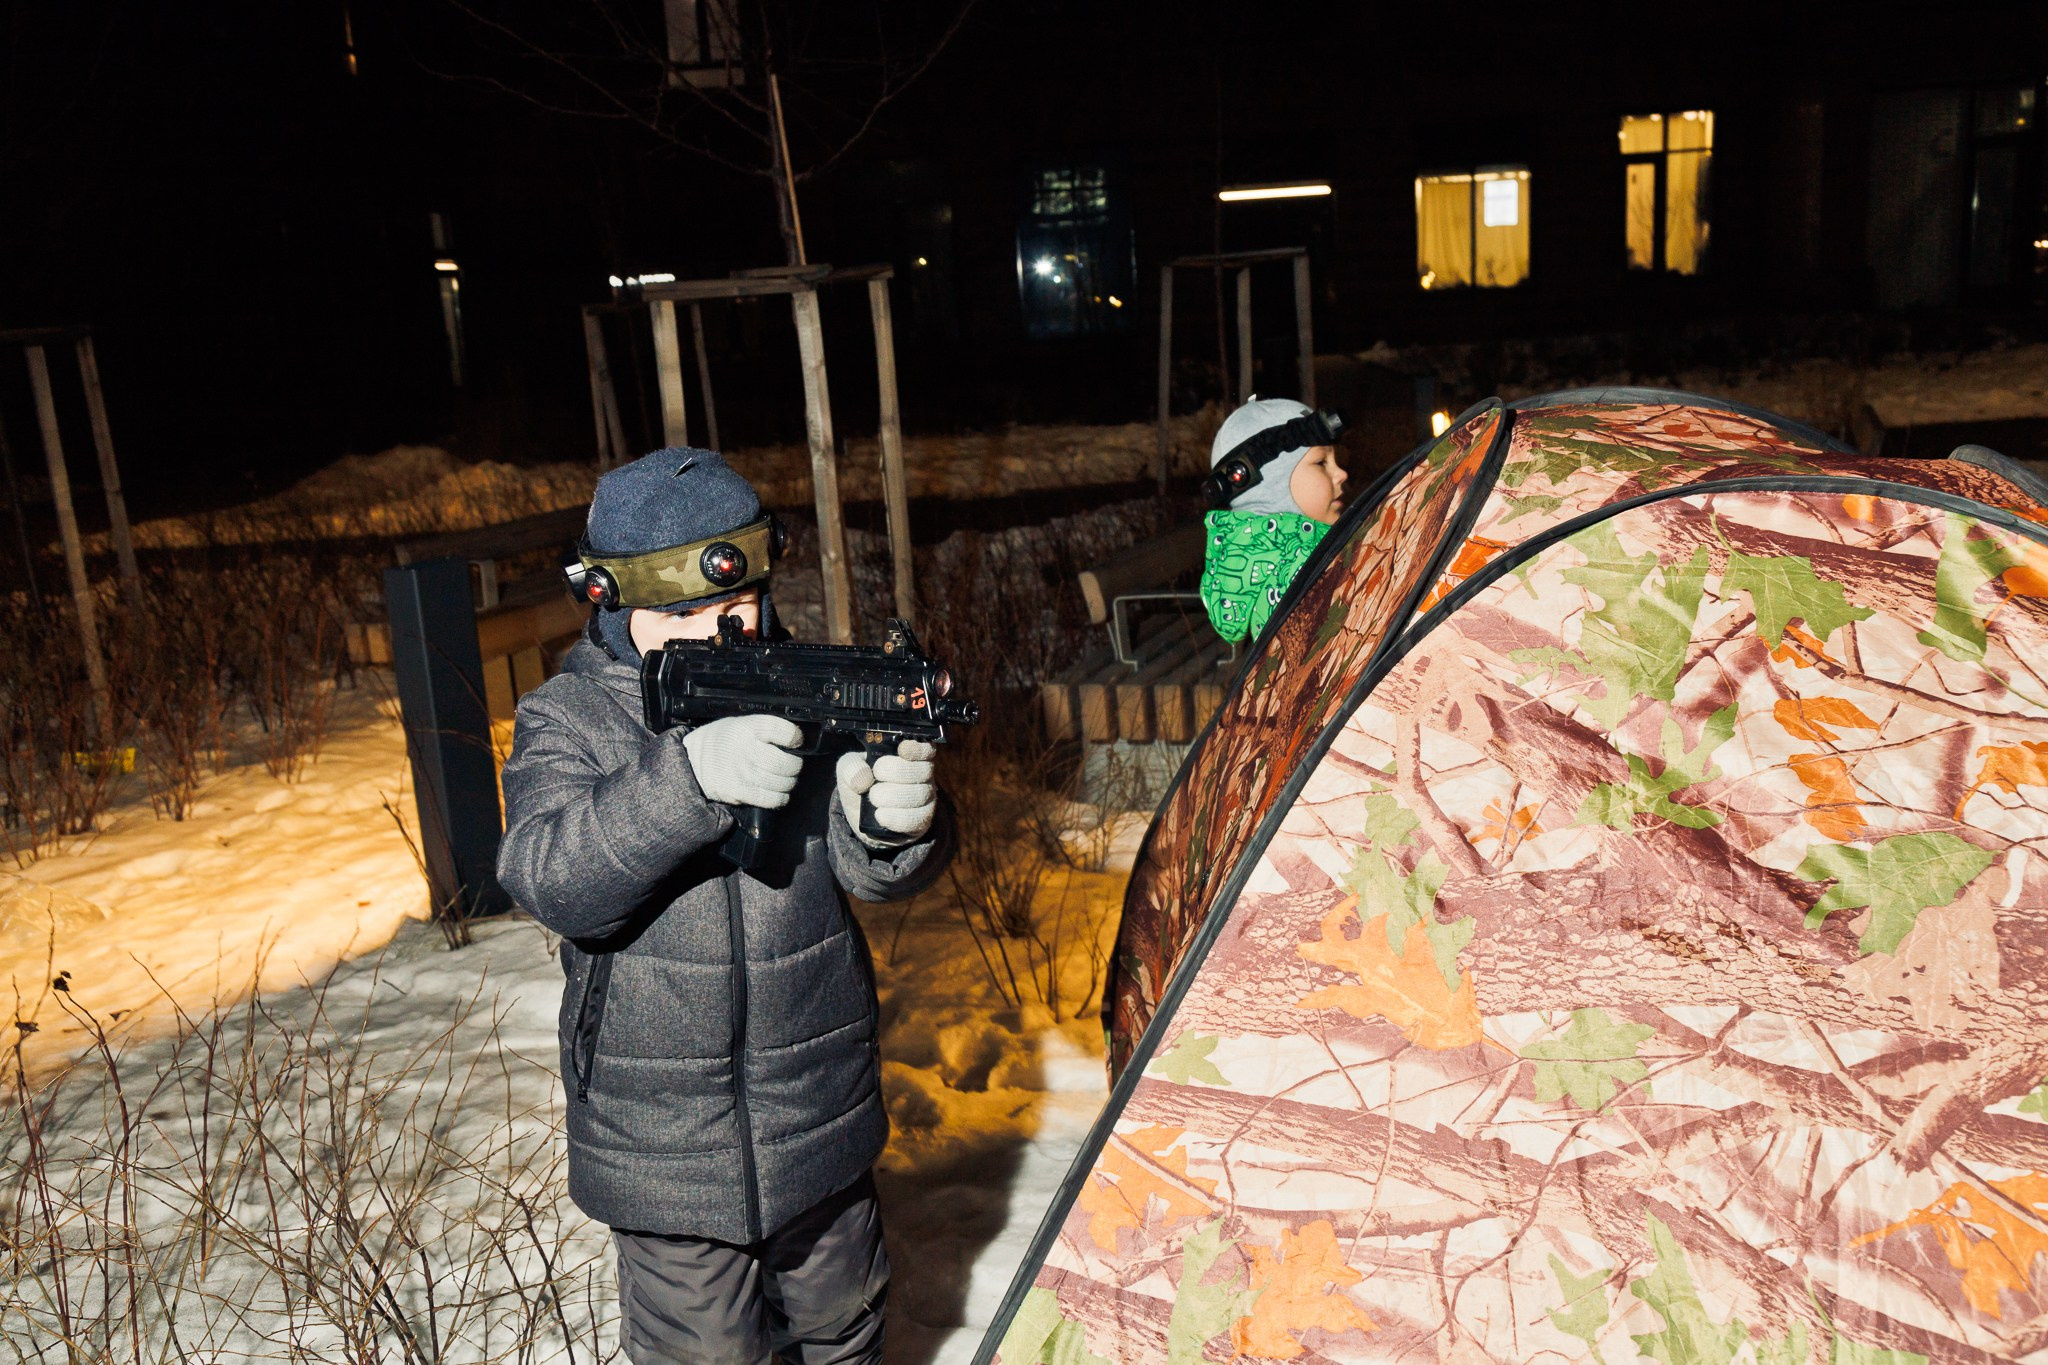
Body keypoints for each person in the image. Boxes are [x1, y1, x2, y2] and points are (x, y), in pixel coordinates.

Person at [497, 447, 952, 1364]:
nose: (721, 632)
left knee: (846, 1331)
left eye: (736, 602)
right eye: (682, 612)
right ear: (613, 605)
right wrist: (687, 779)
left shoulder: (800, 685)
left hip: (817, 1111)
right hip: (664, 1147)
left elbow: (868, 870)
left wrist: (893, 828)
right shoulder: (570, 720)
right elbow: (548, 874)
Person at [1198, 397, 1350, 643]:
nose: (1341, 474)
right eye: (1321, 462)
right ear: (1271, 487)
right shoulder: (1296, 576)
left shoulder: (1300, 556)